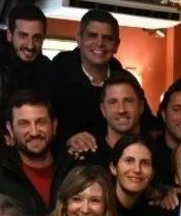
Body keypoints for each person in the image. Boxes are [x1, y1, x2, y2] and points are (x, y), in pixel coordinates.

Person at [52, 9, 155, 156]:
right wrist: (68, 138)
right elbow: (43, 123)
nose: (100, 43)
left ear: (116, 45)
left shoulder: (127, 81)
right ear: (79, 39)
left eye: (107, 38)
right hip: (73, 159)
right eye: (92, 36)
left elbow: (149, 126)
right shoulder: (56, 78)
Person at [0, 90, 78, 216]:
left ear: (54, 125)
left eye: (41, 122)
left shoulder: (74, 168)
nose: (34, 132)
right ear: (10, 128)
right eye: (24, 124)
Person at [0, 4, 54, 119]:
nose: (30, 45)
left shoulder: (48, 69)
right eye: (23, 35)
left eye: (37, 37)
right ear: (10, 35)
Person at [109, 134, 160, 216]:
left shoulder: (155, 214)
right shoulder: (97, 209)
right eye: (129, 161)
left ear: (153, 173)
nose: (137, 169)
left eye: (145, 163)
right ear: (114, 168)